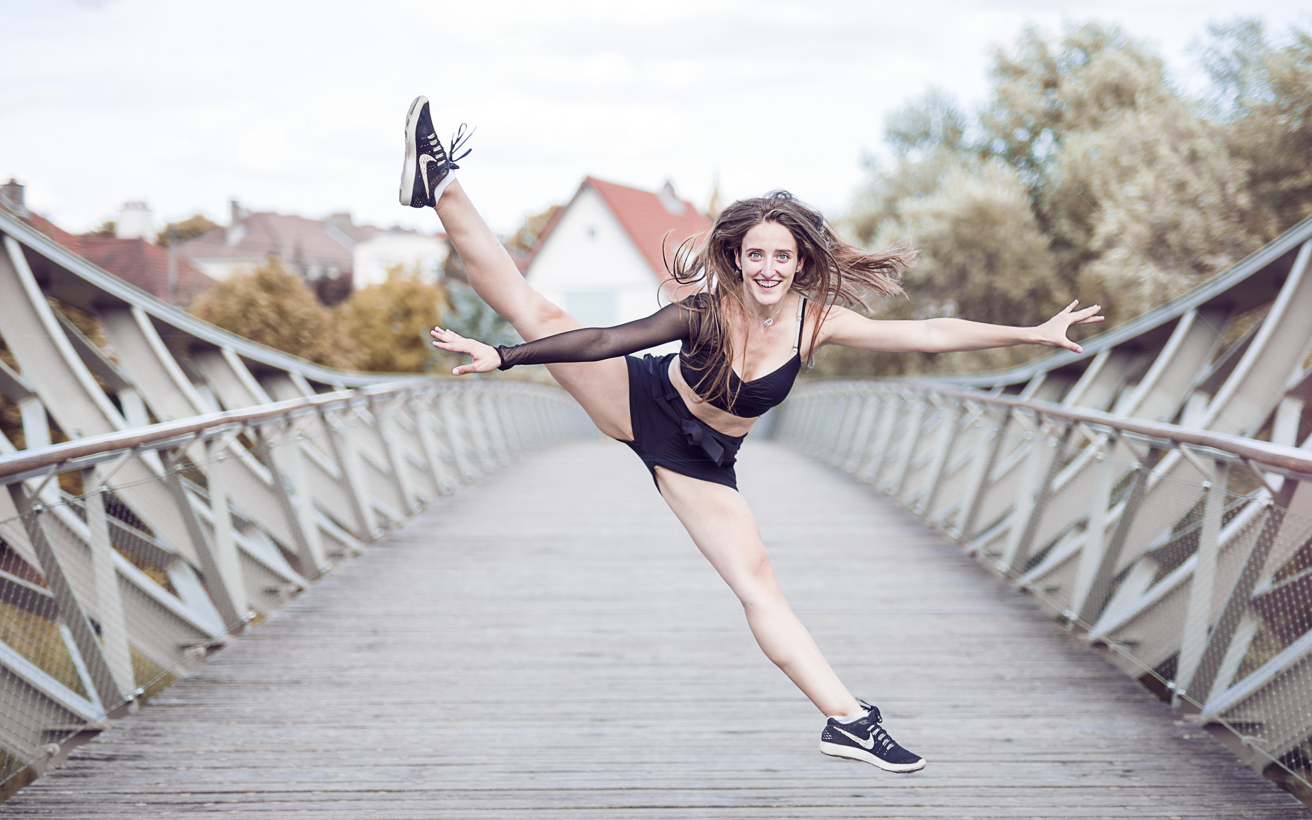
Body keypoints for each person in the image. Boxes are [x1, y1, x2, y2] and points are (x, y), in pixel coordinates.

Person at [400, 95, 1103, 774]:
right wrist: (507, 357)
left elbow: (926, 334)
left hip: (701, 460)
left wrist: (1031, 332)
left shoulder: (815, 321)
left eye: (783, 257)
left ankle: (848, 720)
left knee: (759, 585)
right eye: (756, 255)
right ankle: (443, 184)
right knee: (539, 310)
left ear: (801, 263)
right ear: (737, 258)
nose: (768, 269)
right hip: (642, 401)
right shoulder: (707, 310)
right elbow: (608, 339)